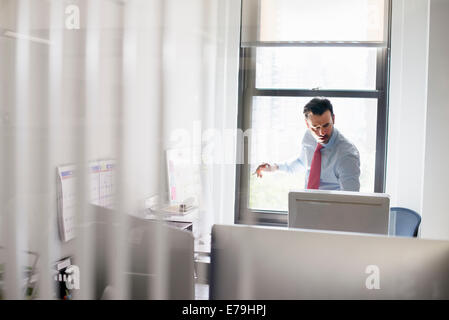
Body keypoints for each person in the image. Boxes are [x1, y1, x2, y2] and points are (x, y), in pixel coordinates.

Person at [255, 97, 360, 191]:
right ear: (307, 125)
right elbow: (302, 162)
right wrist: (274, 167)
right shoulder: (309, 137)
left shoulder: (347, 155)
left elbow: (350, 200)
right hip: (306, 205)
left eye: (326, 125)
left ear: (333, 119)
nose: (321, 132)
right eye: (316, 127)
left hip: (332, 210)